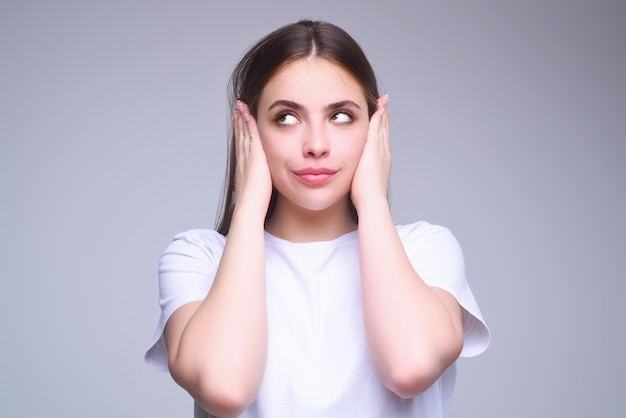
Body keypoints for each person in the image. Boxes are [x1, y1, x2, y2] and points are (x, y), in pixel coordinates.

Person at [145, 19, 490, 418]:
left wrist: (374, 201)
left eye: (340, 116)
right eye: (287, 118)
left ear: (376, 125)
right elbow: (225, 389)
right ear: (249, 129)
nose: (316, 145)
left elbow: (409, 368)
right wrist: (250, 206)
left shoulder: (425, 251)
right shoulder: (199, 258)